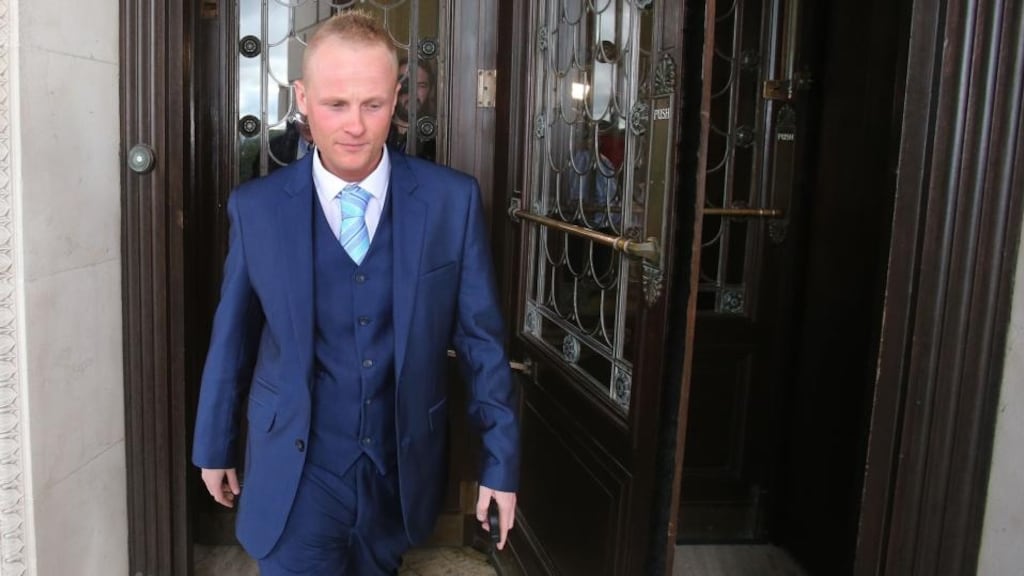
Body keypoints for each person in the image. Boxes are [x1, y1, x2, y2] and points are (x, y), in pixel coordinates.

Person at [191, 10, 519, 575]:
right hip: (296, 473)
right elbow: (234, 336)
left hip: (398, 468)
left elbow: (482, 342)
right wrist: (213, 445)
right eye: (335, 104)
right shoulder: (258, 209)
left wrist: (501, 464)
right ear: (302, 97)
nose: (354, 126)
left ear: (396, 99)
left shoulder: (450, 202)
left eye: (372, 104)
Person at [387, 57, 436, 162]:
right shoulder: (380, 131)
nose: (413, 93)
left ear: (430, 90)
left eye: (421, 86)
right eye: (406, 84)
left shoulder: (437, 138)